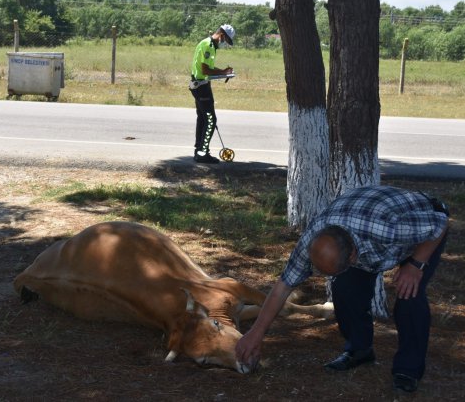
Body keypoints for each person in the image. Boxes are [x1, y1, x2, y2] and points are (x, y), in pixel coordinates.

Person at [235, 185, 450, 393]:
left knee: (409, 298)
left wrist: (416, 265)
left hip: (422, 226)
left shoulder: (388, 228)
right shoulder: (313, 240)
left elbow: (440, 223)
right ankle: (359, 350)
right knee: (344, 289)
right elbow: (282, 287)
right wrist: (256, 333)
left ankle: (407, 371)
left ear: (353, 256)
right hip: (367, 231)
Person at [189, 24, 235, 164]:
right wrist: (223, 72)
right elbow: (205, 70)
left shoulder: (208, 44)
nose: (224, 43)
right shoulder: (209, 45)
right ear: (221, 34)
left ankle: (199, 151)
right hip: (201, 87)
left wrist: (223, 71)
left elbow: (207, 68)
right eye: (225, 40)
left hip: (199, 85)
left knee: (203, 119)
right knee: (210, 120)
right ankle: (202, 153)